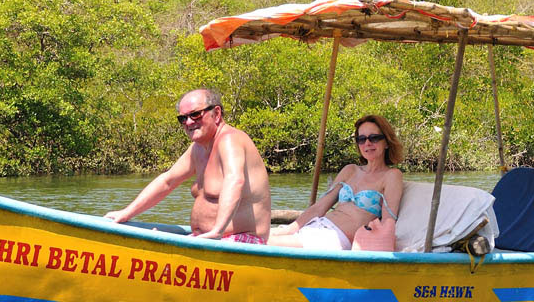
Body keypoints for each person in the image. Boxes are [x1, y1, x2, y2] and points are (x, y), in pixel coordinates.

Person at [104, 89, 271, 242]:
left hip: (240, 240)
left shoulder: (230, 140)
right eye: (182, 118)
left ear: (217, 113)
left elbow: (235, 181)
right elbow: (167, 181)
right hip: (207, 238)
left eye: (195, 115)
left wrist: (217, 232)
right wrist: (126, 213)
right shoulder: (198, 148)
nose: (189, 122)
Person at [269, 115, 404, 250]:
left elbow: (388, 222)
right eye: (361, 139)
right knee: (260, 235)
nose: (367, 143)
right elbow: (319, 207)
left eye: (374, 138)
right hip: (318, 226)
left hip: (337, 239)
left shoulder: (391, 176)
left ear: (386, 142)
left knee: (263, 241)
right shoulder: (350, 170)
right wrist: (289, 229)